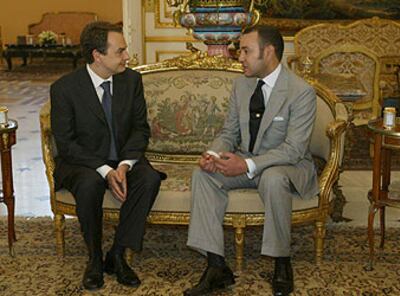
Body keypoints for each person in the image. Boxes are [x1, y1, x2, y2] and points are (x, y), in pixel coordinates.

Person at [185, 25, 318, 296]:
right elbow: (229, 133)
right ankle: (216, 266)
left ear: (268, 52)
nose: (240, 57)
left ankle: (282, 262)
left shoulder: (301, 91)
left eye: (246, 50)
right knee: (204, 175)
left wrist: (245, 165)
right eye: (240, 50)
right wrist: (213, 155)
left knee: (273, 177)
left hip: (289, 166)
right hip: (248, 161)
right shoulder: (241, 85)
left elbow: (294, 149)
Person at [50, 21, 162, 291]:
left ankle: (118, 254)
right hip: (83, 161)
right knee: (89, 184)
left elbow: (139, 130)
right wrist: (104, 169)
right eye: (120, 51)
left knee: (148, 178)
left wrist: (123, 166)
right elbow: (66, 143)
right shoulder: (65, 89)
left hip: (122, 157)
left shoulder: (131, 80)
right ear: (97, 56)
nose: (127, 56)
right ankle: (94, 259)